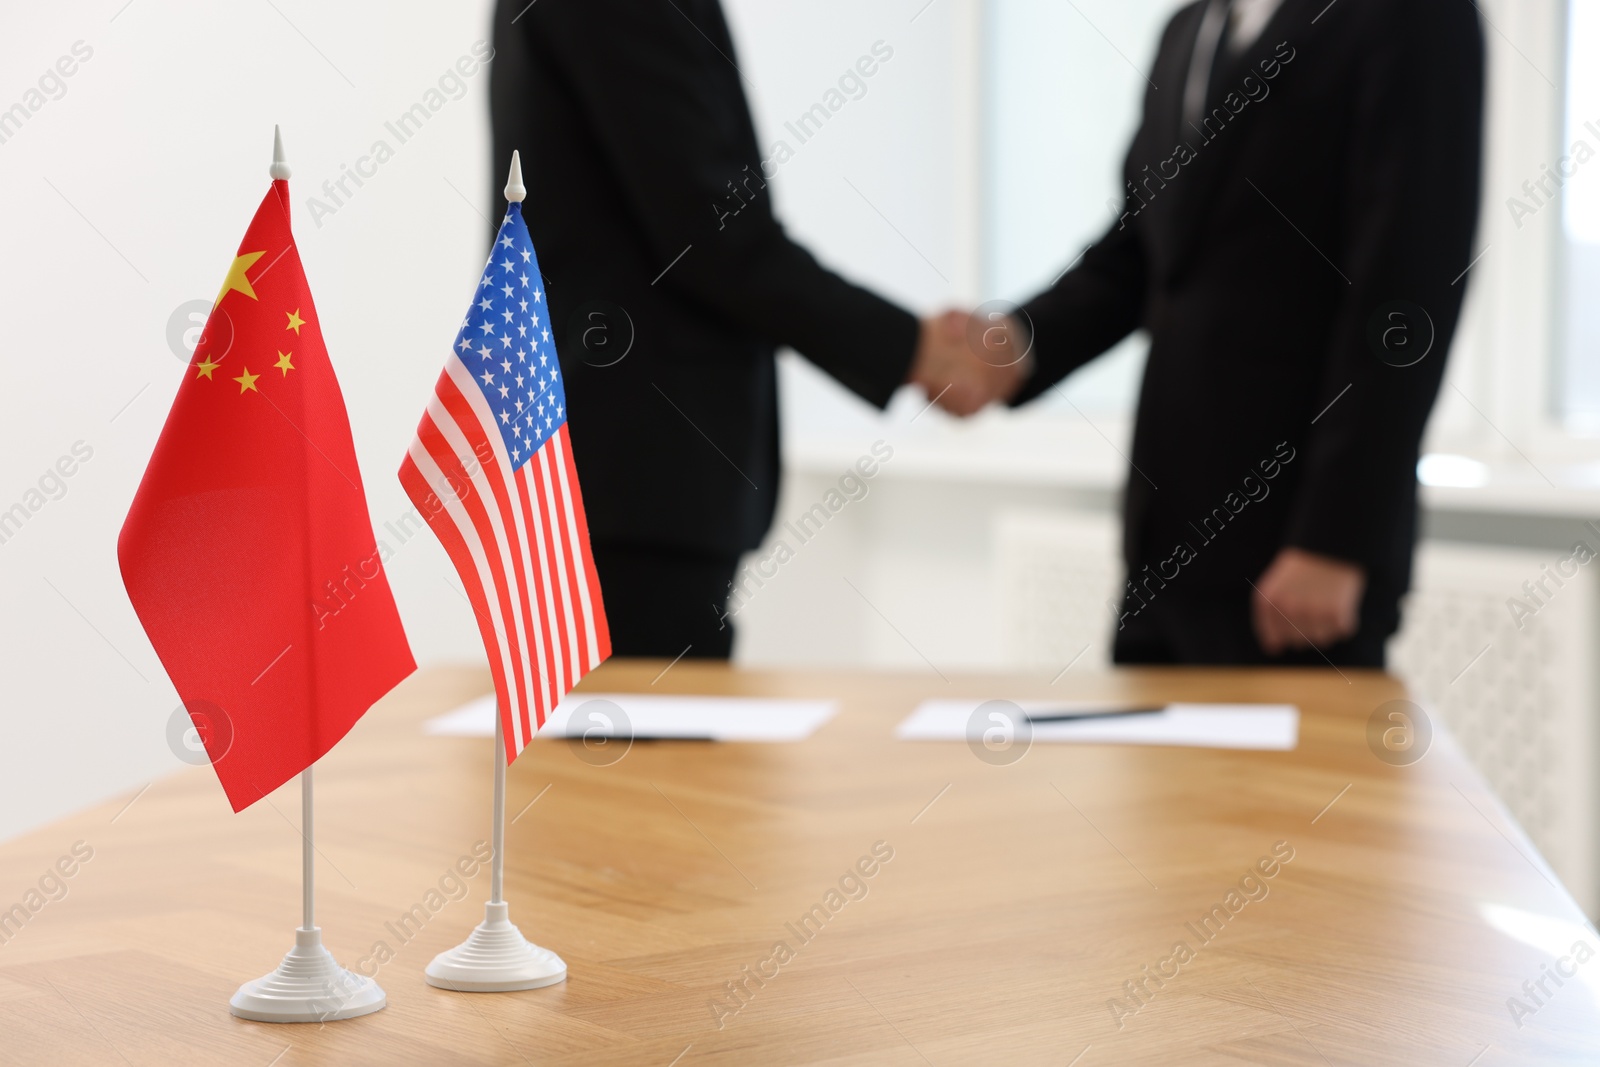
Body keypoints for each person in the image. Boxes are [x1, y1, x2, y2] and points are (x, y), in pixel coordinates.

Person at [490, 0, 1020, 659]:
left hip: (614, 463)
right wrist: (916, 349)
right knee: (641, 750)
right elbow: (711, 235)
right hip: (638, 468)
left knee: (616, 741)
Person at [1002, 0, 1484, 666]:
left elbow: (1405, 298)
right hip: (1164, 546)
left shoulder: (1411, 17)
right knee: (1151, 772)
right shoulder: (1186, 30)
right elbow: (1143, 255)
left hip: (1293, 559)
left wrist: (1335, 539)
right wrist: (1009, 348)